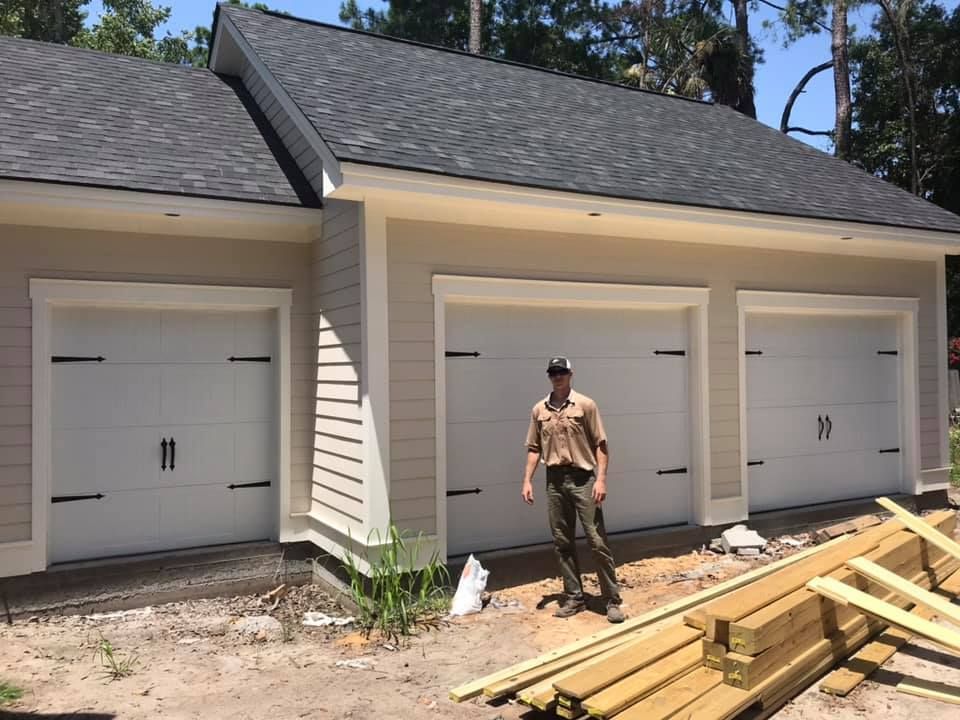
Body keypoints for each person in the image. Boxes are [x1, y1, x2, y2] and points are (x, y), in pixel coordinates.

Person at [522, 356, 624, 623]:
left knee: (596, 540)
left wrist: (601, 479)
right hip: (554, 481)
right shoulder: (539, 410)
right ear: (549, 376)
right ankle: (574, 597)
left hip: (583, 480)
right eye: (553, 372)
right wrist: (527, 481)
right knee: (562, 541)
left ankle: (611, 600)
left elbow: (601, 445)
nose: (557, 376)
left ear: (570, 374)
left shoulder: (585, 405)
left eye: (562, 372)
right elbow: (534, 448)